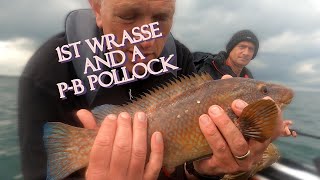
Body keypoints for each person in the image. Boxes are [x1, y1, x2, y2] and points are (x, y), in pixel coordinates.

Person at [18, 0, 293, 179]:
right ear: (98, 9)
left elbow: (186, 167)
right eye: (128, 16)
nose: (145, 38)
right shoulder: (47, 72)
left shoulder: (180, 58)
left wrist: (203, 170)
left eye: (161, 18)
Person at [194, 29, 258, 79]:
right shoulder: (208, 68)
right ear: (230, 49)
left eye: (251, 49)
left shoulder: (248, 78)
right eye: (242, 47)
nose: (246, 53)